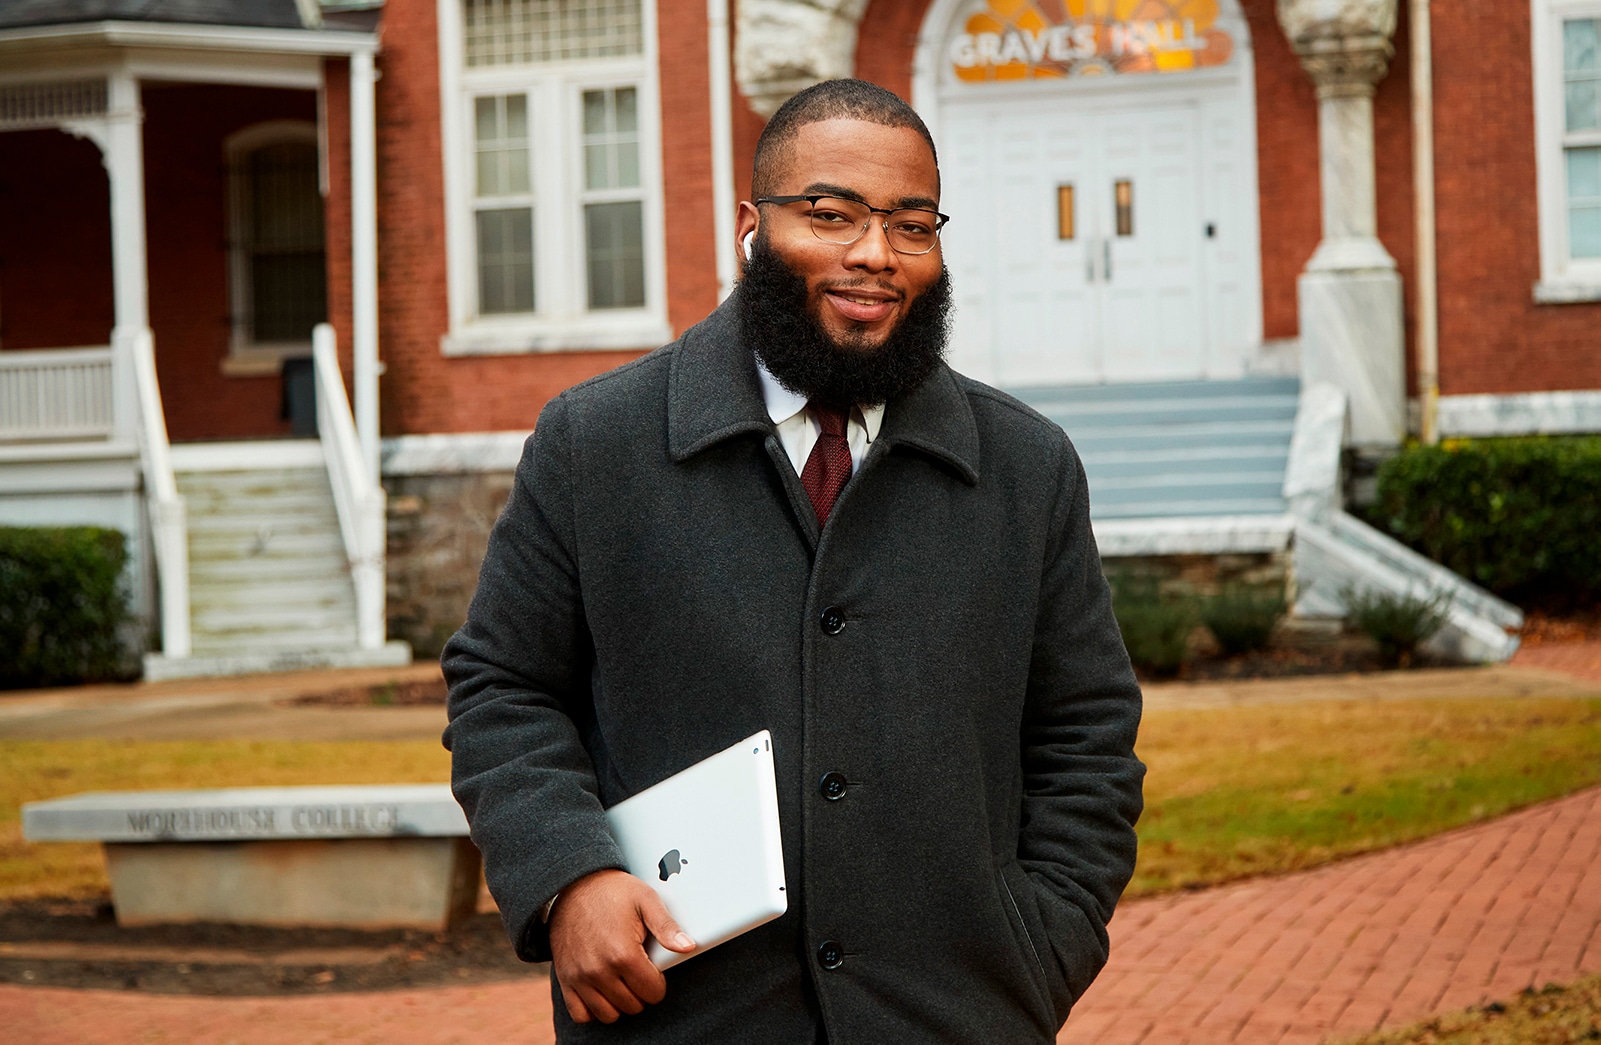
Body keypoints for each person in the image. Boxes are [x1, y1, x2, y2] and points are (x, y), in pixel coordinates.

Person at [442, 78, 1144, 1044]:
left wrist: (1038, 947)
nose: (875, 253)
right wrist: (568, 874)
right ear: (751, 229)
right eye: (830, 214)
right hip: (681, 1018)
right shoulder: (594, 444)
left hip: (954, 1017)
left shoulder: (1027, 467)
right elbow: (502, 686)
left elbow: (1086, 734)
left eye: (911, 225)